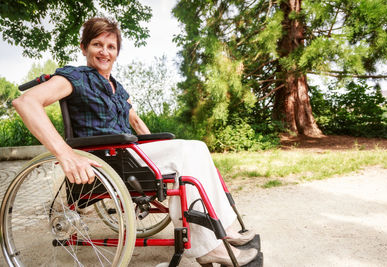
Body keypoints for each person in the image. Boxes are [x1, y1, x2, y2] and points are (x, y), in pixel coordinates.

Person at [12, 17, 257, 266]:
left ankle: (220, 231)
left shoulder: (118, 90)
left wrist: (156, 152)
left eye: (111, 47)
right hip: (105, 157)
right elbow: (25, 102)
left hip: (128, 153)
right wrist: (66, 154)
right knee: (187, 151)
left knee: (196, 148)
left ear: (117, 52)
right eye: (97, 44)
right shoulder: (75, 77)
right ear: (83, 47)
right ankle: (207, 248)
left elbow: (138, 124)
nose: (104, 52)